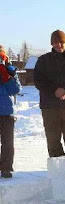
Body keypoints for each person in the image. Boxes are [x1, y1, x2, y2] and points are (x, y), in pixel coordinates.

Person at [0, 50, 21, 178]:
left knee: (8, 143)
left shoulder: (10, 71)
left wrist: (7, 77)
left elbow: (16, 89)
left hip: (7, 112)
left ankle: (6, 168)